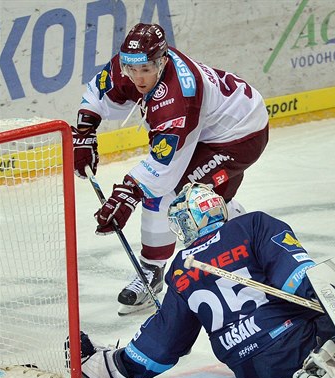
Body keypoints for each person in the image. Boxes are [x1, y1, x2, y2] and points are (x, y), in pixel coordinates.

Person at [78, 183, 335, 378]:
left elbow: (163, 342)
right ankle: (332, 360)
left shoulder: (181, 268)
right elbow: (298, 280)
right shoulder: (252, 225)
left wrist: (116, 367)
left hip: (251, 372)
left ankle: (321, 363)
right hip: (299, 344)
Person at [71, 23, 269, 315]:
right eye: (132, 68)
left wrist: (126, 195)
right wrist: (85, 131)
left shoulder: (178, 98)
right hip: (208, 128)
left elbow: (162, 171)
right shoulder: (130, 63)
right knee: (184, 195)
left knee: (168, 196)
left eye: (147, 68)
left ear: (163, 61)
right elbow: (99, 92)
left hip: (240, 135)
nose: (138, 77)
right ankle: (235, 223)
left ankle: (151, 271)